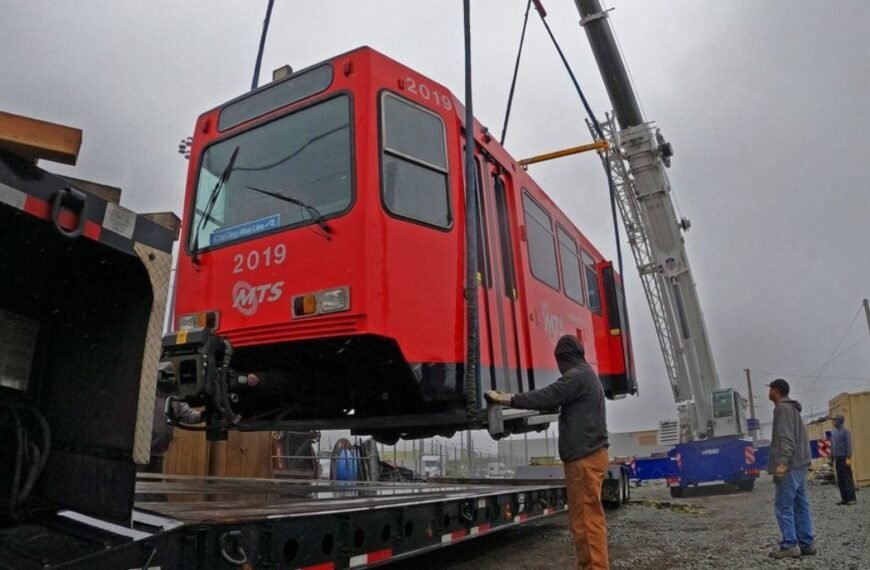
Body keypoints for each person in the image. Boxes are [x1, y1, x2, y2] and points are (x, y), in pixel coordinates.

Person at [485, 335, 609, 570]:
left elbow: (547, 395)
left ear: (564, 358)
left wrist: (505, 398)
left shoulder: (577, 376)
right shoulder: (585, 376)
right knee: (583, 521)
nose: (559, 368)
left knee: (587, 522)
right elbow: (554, 401)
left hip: (584, 460)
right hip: (587, 457)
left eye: (559, 362)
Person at [767, 378, 816, 559]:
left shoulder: (782, 409)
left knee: (783, 506)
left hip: (790, 465)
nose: (768, 392)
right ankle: (807, 543)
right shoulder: (793, 409)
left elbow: (786, 441)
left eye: (770, 388)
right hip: (801, 464)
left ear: (776, 390)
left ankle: (789, 545)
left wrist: (780, 469)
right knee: (801, 504)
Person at [144, 362, 203, 474]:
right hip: (140, 455)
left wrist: (204, 416)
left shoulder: (174, 399)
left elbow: (187, 415)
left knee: (153, 488)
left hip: (158, 455)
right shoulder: (145, 395)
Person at [830, 414, 857, 505]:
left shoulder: (846, 432)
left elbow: (848, 445)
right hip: (837, 459)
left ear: (839, 421)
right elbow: (832, 445)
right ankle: (844, 498)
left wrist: (849, 456)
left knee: (847, 478)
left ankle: (852, 498)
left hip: (844, 458)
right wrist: (832, 456)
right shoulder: (834, 432)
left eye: (834, 420)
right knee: (840, 479)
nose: (833, 422)